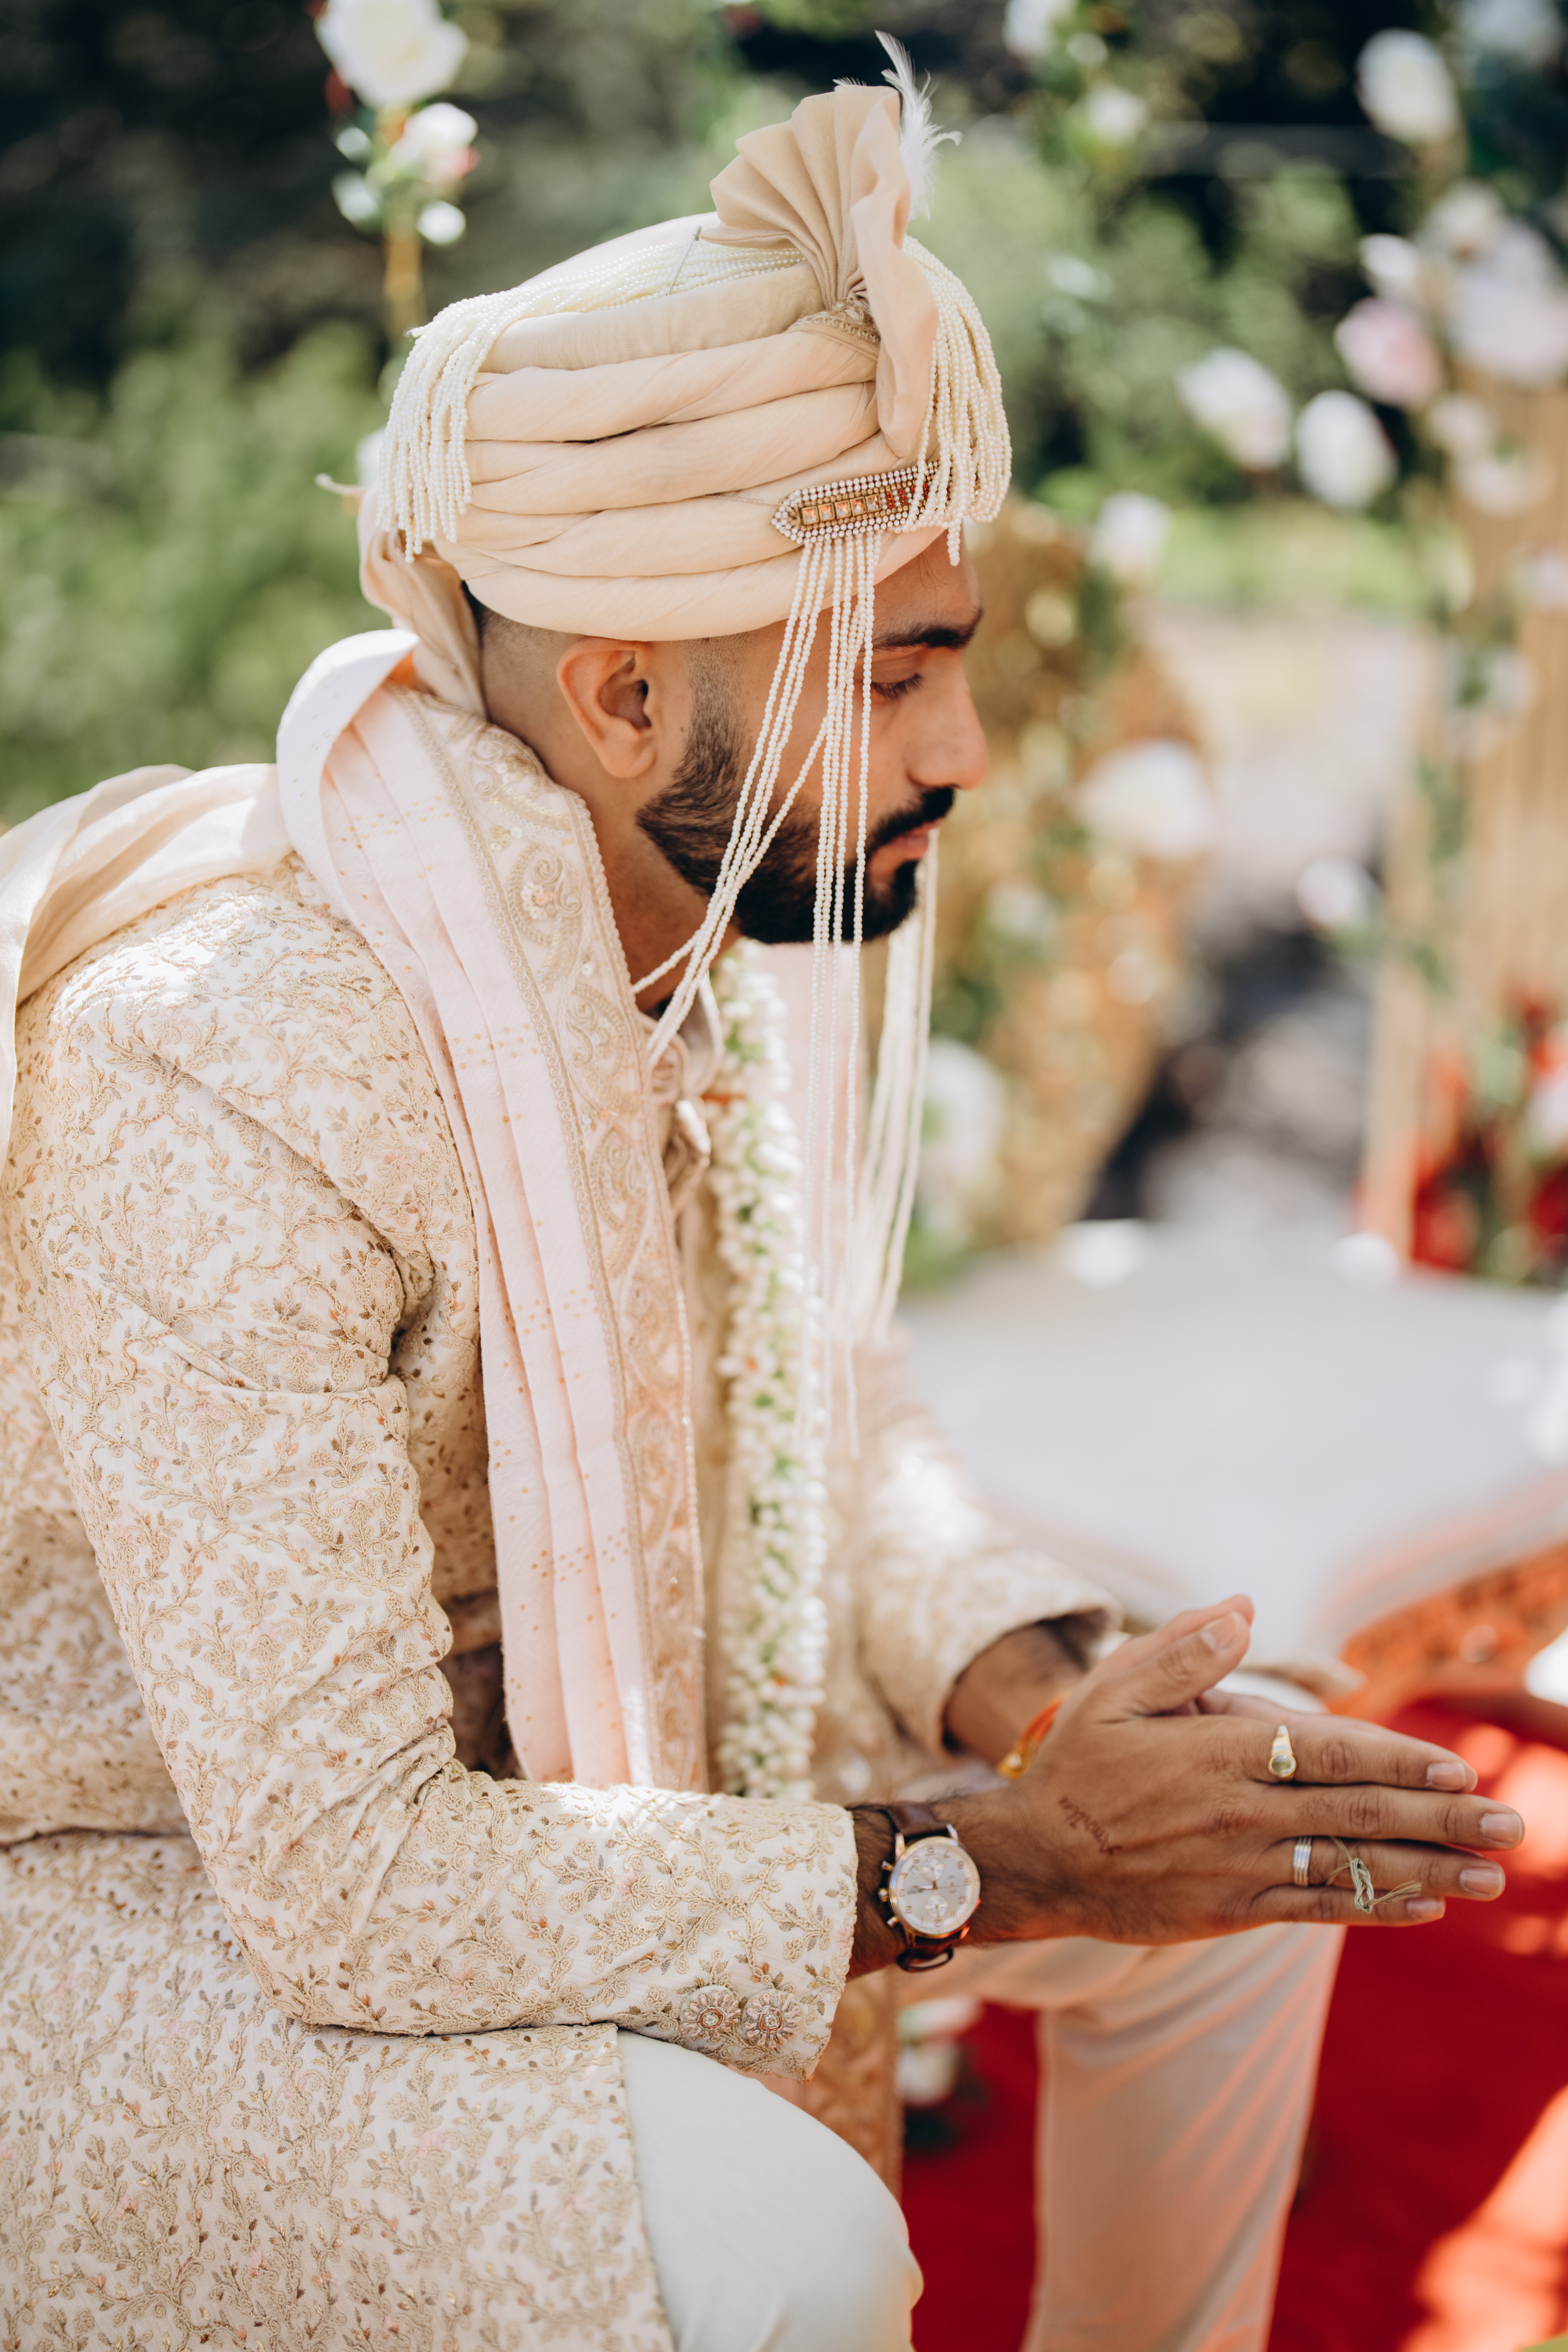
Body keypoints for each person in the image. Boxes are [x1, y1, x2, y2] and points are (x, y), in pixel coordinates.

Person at [0, 56, 1525, 2352]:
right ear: (625, 699)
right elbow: (348, 1876)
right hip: (153, 1907)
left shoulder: (688, 939)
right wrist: (1001, 1857)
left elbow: (835, 1423)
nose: (966, 754)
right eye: (898, 676)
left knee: (1257, 1847)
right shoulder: (229, 1062)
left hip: (568, 1779)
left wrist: (1059, 1699)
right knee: (783, 2247)